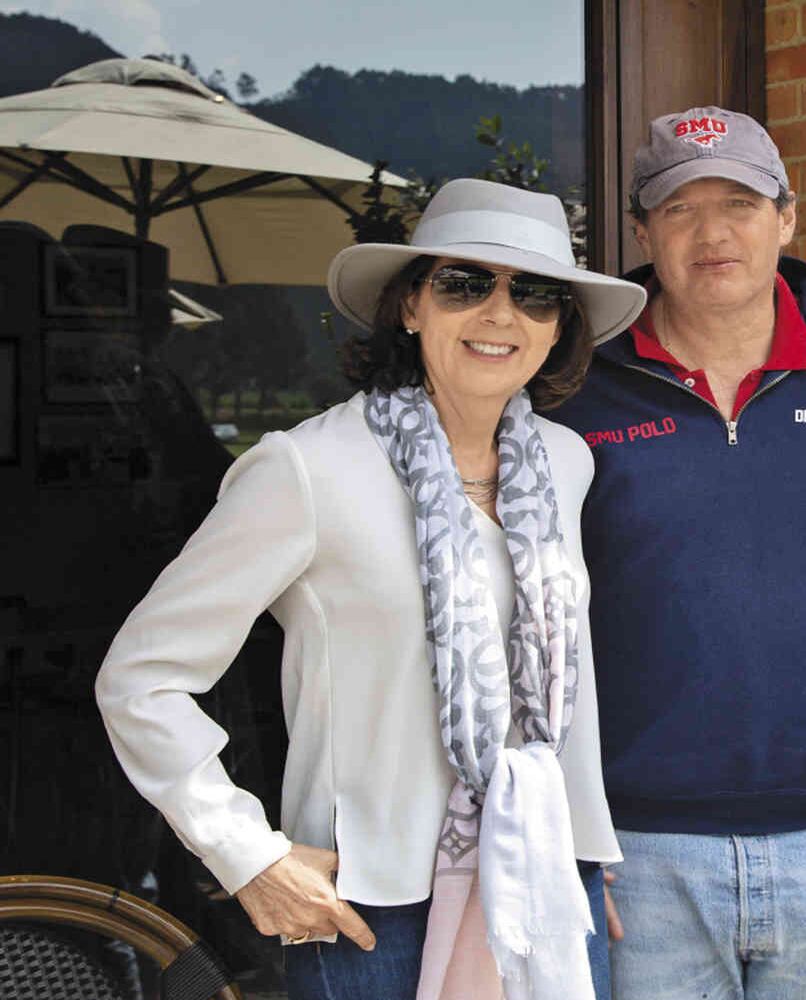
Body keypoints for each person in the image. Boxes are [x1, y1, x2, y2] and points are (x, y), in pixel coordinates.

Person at [95, 178, 647, 1000]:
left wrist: (574, 844)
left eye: (534, 294)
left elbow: (564, 688)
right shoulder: (309, 469)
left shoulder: (564, 463)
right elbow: (141, 679)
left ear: (558, 324)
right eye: (467, 283)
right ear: (411, 305)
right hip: (371, 907)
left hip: (542, 882)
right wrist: (249, 855)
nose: (502, 314)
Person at [543, 106, 806, 1000]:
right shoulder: (575, 386)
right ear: (642, 231)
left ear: (787, 216)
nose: (713, 232)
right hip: (636, 858)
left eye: (738, 201)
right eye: (679, 207)